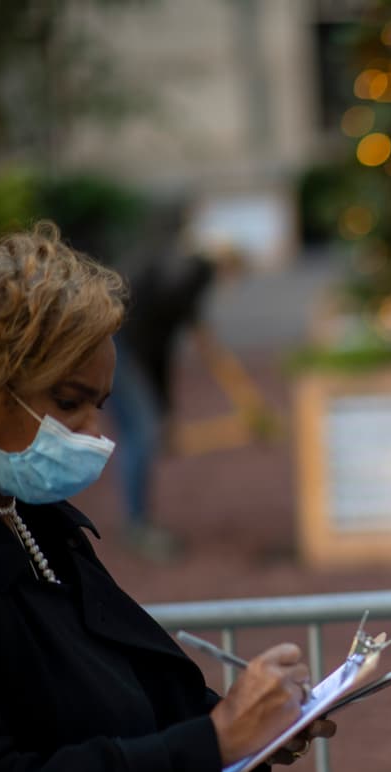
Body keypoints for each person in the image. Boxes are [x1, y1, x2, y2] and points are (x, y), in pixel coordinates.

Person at [0, 224, 333, 772]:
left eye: (99, 405)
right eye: (68, 401)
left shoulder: (28, 511)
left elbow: (123, 689)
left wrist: (255, 729)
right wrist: (212, 743)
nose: (91, 433)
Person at [108, 225, 248, 560]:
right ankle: (137, 525)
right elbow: (157, 347)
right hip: (122, 347)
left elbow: (167, 334)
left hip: (112, 339)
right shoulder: (194, 276)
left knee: (136, 435)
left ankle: (136, 519)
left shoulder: (182, 271)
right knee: (142, 434)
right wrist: (162, 407)